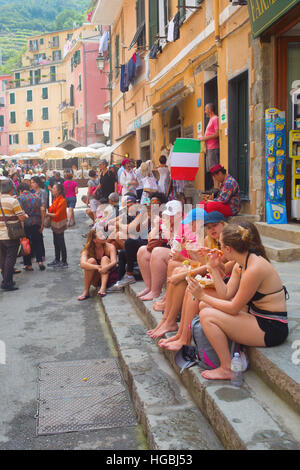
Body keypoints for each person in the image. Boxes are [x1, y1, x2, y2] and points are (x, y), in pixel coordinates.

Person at [187, 223, 288, 381]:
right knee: (205, 306)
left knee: (207, 314)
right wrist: (213, 268)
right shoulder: (241, 264)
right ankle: (231, 355)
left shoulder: (254, 268)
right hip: (256, 316)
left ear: (228, 249)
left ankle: (227, 368)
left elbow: (234, 308)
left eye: (220, 245)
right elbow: (226, 294)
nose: (218, 248)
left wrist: (202, 295)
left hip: (271, 328)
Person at [136, 200, 186, 301]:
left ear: (179, 215)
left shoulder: (185, 223)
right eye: (166, 214)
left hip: (183, 255)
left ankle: (155, 291)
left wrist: (168, 234)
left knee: (158, 252)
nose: (167, 217)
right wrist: (155, 226)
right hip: (171, 251)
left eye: (170, 215)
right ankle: (149, 287)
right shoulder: (166, 221)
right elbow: (150, 239)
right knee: (142, 250)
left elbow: (180, 247)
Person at [0, 178, 27, 291]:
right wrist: (25, 215)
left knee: (2, 259)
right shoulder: (13, 201)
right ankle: (7, 283)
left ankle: (5, 280)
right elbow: (21, 217)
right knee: (10, 259)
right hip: (10, 234)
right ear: (11, 190)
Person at [78, 228, 117, 300]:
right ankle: (86, 291)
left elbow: (114, 262)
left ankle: (103, 288)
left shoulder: (110, 247)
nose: (104, 236)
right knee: (90, 261)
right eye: (100, 235)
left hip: (108, 276)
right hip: (95, 277)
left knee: (105, 258)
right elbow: (82, 264)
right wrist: (97, 267)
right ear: (94, 240)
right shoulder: (87, 249)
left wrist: (106, 267)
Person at [17, 183, 45, 271]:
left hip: (26, 223)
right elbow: (42, 210)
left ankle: (29, 265)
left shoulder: (20, 198)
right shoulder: (36, 196)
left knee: (26, 243)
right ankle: (40, 261)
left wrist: (21, 228)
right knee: (37, 242)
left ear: (20, 191)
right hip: (36, 222)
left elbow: (21, 213)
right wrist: (42, 224)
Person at [46, 183, 68, 268]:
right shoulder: (55, 199)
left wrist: (47, 214)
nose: (52, 190)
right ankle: (57, 259)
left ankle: (64, 261)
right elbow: (52, 209)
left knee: (61, 242)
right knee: (56, 242)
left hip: (59, 223)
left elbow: (57, 215)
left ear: (59, 191)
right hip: (54, 223)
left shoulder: (62, 200)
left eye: (54, 188)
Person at [199, 103, 219, 190]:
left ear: (210, 110)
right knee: (211, 169)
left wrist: (205, 138)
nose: (205, 111)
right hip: (209, 148)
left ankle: (217, 186)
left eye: (206, 109)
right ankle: (215, 186)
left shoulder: (215, 119)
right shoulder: (211, 120)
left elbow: (217, 134)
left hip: (213, 147)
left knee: (214, 168)